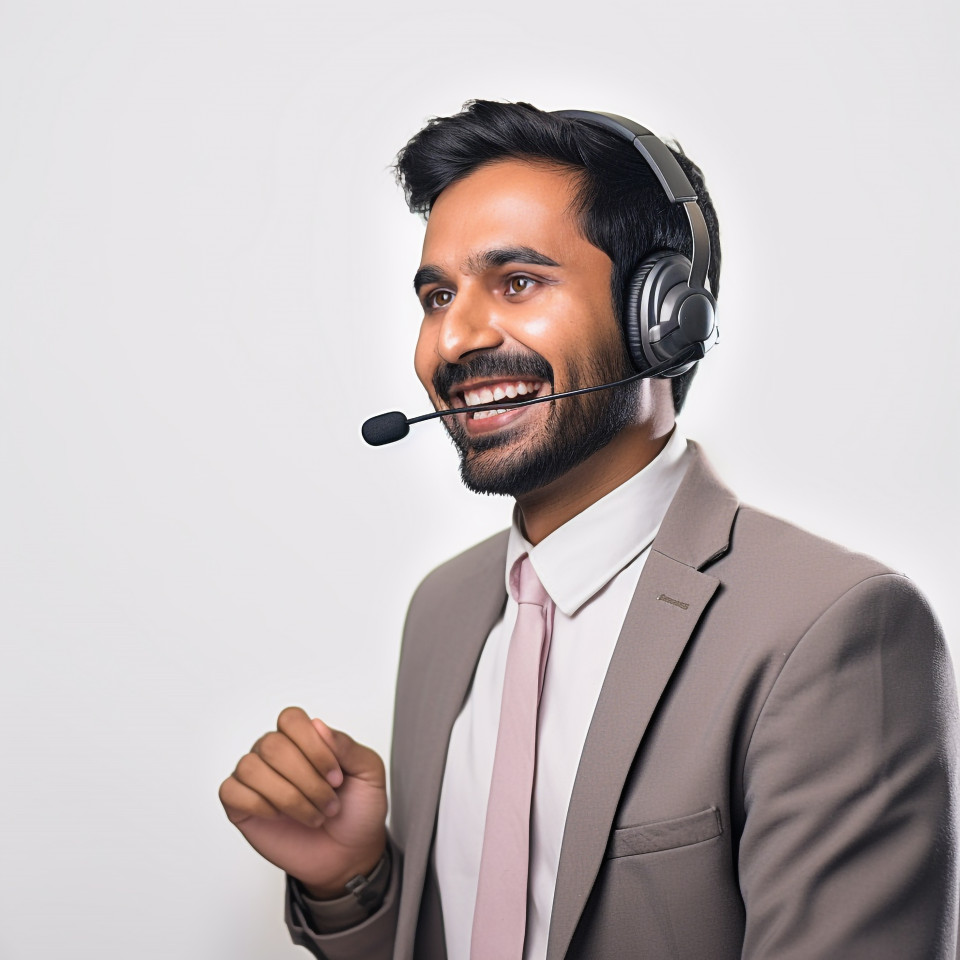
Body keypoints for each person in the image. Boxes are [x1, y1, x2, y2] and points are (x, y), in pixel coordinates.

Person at [218, 101, 959, 960]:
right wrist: (352, 881)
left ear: (663, 317)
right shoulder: (442, 611)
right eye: (438, 296)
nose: (454, 339)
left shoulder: (830, 628)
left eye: (517, 282)